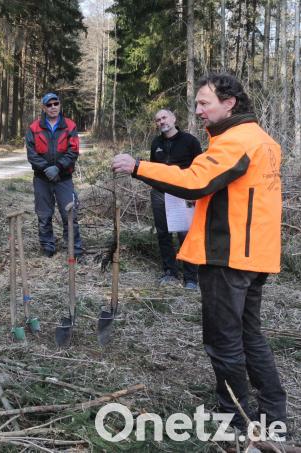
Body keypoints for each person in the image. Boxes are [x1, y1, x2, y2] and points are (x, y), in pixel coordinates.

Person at [112, 74, 286, 434]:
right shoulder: (264, 141)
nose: (198, 111)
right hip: (255, 254)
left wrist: (138, 167)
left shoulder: (235, 141)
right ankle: (274, 415)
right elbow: (231, 191)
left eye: (204, 103)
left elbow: (195, 179)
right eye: (196, 104)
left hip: (227, 255)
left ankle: (234, 421)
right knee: (249, 334)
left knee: (223, 342)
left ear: (229, 103)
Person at [25, 92, 83, 258]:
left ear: (60, 105)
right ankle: (48, 249)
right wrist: (46, 169)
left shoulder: (70, 126)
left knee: (70, 215)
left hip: (63, 178)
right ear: (44, 107)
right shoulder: (34, 128)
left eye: (55, 104)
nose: (53, 107)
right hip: (42, 179)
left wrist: (58, 167)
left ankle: (75, 250)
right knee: (44, 215)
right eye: (49, 105)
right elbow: (31, 154)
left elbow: (73, 151)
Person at [149, 109, 202, 289]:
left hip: (183, 193)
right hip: (159, 193)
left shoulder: (190, 141)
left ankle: (190, 278)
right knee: (163, 233)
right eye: (158, 120)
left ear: (173, 118)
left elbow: (200, 169)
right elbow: (152, 169)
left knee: (185, 234)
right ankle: (170, 272)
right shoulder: (156, 143)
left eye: (164, 117)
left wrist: (194, 194)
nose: (161, 121)